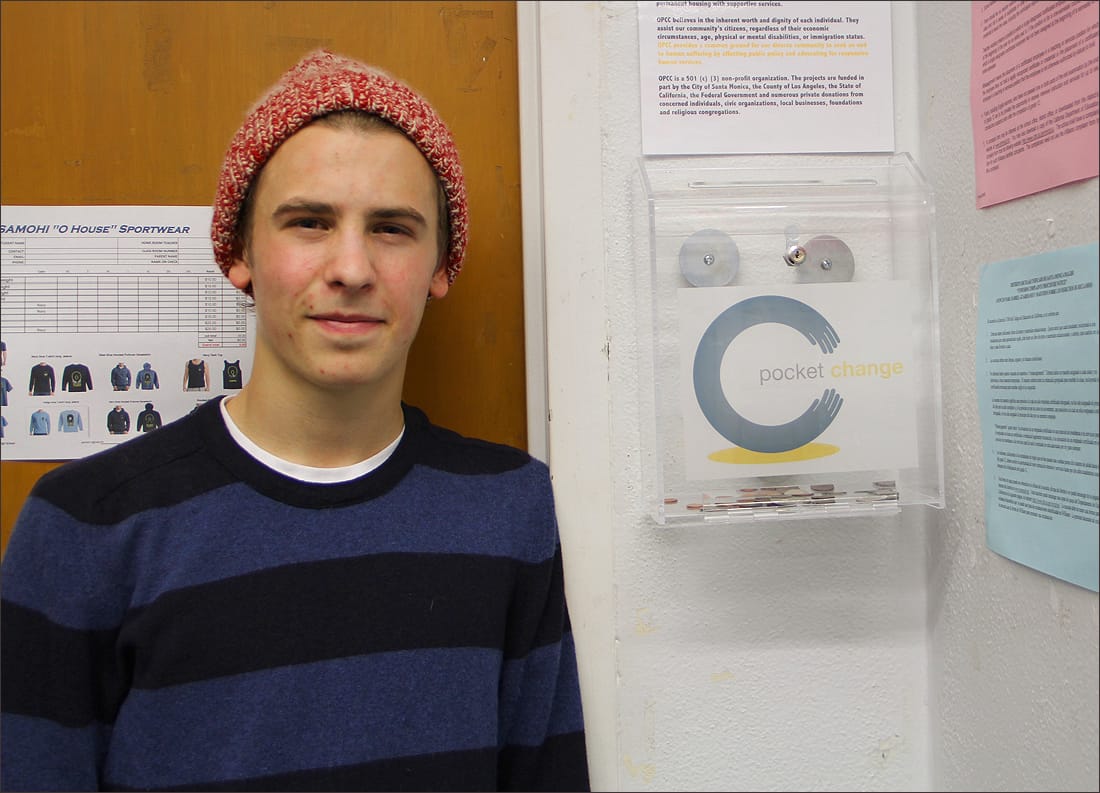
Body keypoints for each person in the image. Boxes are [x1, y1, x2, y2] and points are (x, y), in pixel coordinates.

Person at [1, 50, 589, 792]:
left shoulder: (508, 508)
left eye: (392, 228)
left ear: (442, 266)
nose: (351, 268)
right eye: (309, 222)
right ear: (239, 252)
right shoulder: (86, 525)